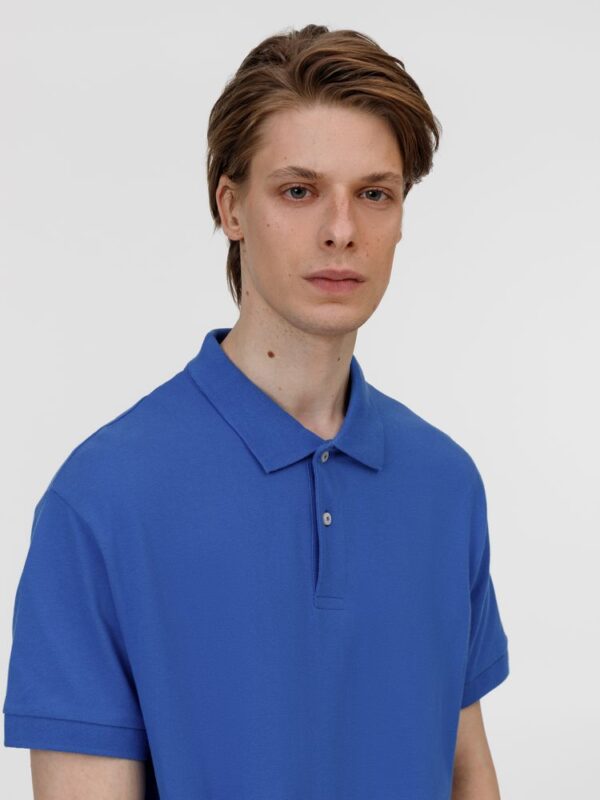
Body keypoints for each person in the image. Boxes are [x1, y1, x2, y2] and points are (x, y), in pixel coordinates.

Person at [3, 23, 510, 800]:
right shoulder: (102, 500)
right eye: (299, 191)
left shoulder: (446, 484)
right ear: (232, 206)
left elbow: (464, 769)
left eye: (374, 193)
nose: (341, 230)